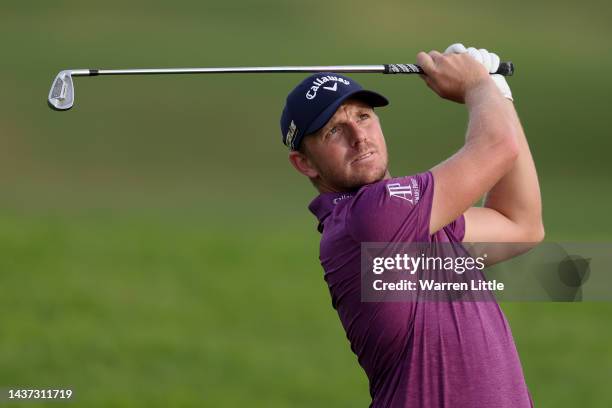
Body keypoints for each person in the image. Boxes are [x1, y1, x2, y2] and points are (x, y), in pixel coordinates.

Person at [280, 43, 544, 407]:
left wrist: (499, 93)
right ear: (304, 164)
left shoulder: (412, 220)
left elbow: (520, 224)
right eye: (333, 132)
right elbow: (498, 146)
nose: (359, 137)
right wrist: (478, 86)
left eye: (363, 116)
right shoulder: (369, 218)